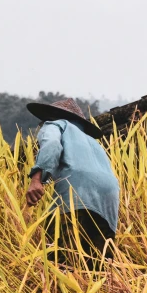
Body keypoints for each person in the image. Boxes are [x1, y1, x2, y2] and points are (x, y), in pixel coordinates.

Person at [25, 98, 120, 269]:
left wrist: (37, 178)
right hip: (110, 196)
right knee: (98, 265)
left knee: (64, 258)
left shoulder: (55, 125)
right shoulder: (94, 143)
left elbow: (52, 144)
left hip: (77, 188)